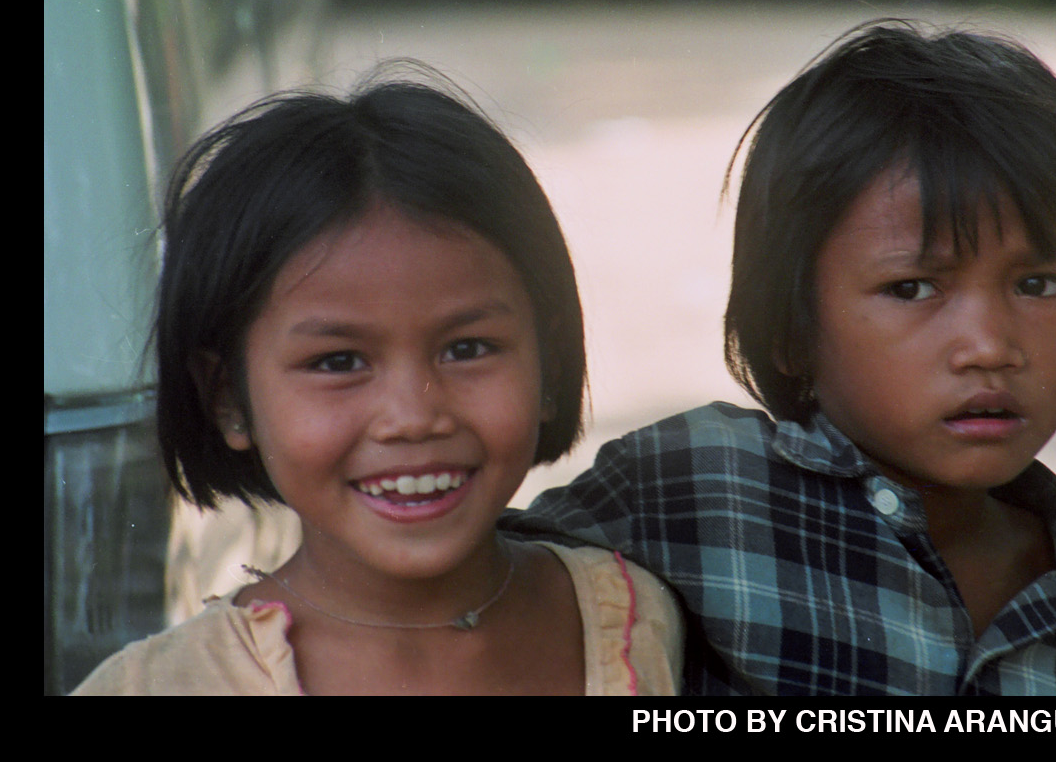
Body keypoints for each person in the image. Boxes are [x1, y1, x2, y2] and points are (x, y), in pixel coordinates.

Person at [501, 19, 1056, 696]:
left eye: (1037, 285)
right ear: (791, 329)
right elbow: (470, 584)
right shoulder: (697, 487)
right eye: (912, 288)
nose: (990, 346)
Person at [73, 65, 682, 695]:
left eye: (467, 349)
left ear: (550, 364)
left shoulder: (632, 617)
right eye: (339, 363)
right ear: (229, 398)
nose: (413, 416)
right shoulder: (159, 687)